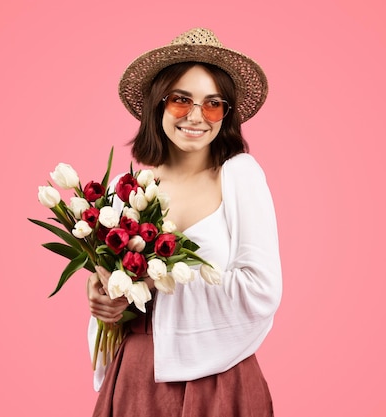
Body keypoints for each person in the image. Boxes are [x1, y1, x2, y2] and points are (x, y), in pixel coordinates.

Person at [86, 28, 282, 416]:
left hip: (221, 380)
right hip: (138, 377)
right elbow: (117, 298)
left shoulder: (239, 176)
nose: (196, 116)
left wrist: (153, 281)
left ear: (225, 114)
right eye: (181, 100)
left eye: (212, 104)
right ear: (157, 105)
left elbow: (262, 290)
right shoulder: (124, 191)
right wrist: (103, 299)